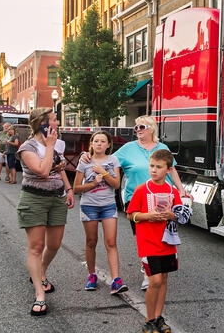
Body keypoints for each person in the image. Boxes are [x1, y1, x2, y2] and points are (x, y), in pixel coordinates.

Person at [81, 115, 191, 290]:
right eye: (136, 128)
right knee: (144, 235)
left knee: (162, 234)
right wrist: (88, 155)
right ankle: (149, 272)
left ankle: (154, 264)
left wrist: (181, 190)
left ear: (151, 129)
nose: (138, 130)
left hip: (163, 197)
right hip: (137, 198)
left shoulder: (162, 148)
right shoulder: (128, 148)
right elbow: (106, 159)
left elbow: (172, 170)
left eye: (142, 127)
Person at [16, 107, 74, 316]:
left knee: (55, 244)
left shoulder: (57, 144)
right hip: (34, 200)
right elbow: (41, 170)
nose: (57, 122)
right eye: (54, 119)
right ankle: (39, 295)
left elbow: (59, 169)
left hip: (57, 198)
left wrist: (68, 189)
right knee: (36, 247)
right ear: (44, 124)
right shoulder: (27, 147)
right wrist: (49, 146)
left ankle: (40, 272)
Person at [126, 149, 192, 333]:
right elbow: (131, 216)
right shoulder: (142, 190)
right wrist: (148, 216)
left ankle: (158, 317)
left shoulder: (172, 191)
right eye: (151, 166)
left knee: (163, 279)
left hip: (167, 242)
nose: (154, 170)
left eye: (159, 167)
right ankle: (149, 320)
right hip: (148, 242)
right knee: (154, 280)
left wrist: (173, 215)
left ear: (169, 170)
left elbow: (180, 215)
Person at [73, 130, 128, 294]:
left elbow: (117, 184)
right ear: (91, 143)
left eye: (102, 141)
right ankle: (91, 275)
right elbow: (76, 188)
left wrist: (103, 172)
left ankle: (116, 280)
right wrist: (93, 184)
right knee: (91, 242)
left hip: (108, 205)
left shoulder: (113, 160)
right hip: (89, 206)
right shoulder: (84, 161)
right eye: (96, 141)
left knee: (111, 242)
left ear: (108, 145)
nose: (99, 144)